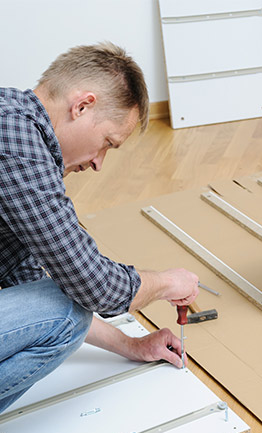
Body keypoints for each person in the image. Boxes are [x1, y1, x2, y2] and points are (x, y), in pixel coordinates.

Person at [0, 43, 199, 413]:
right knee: (68, 311)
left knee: (60, 302)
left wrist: (131, 345)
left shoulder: (13, 122)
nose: (98, 164)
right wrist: (166, 282)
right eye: (107, 143)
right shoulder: (15, 142)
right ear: (82, 106)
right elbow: (94, 287)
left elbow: (29, 283)